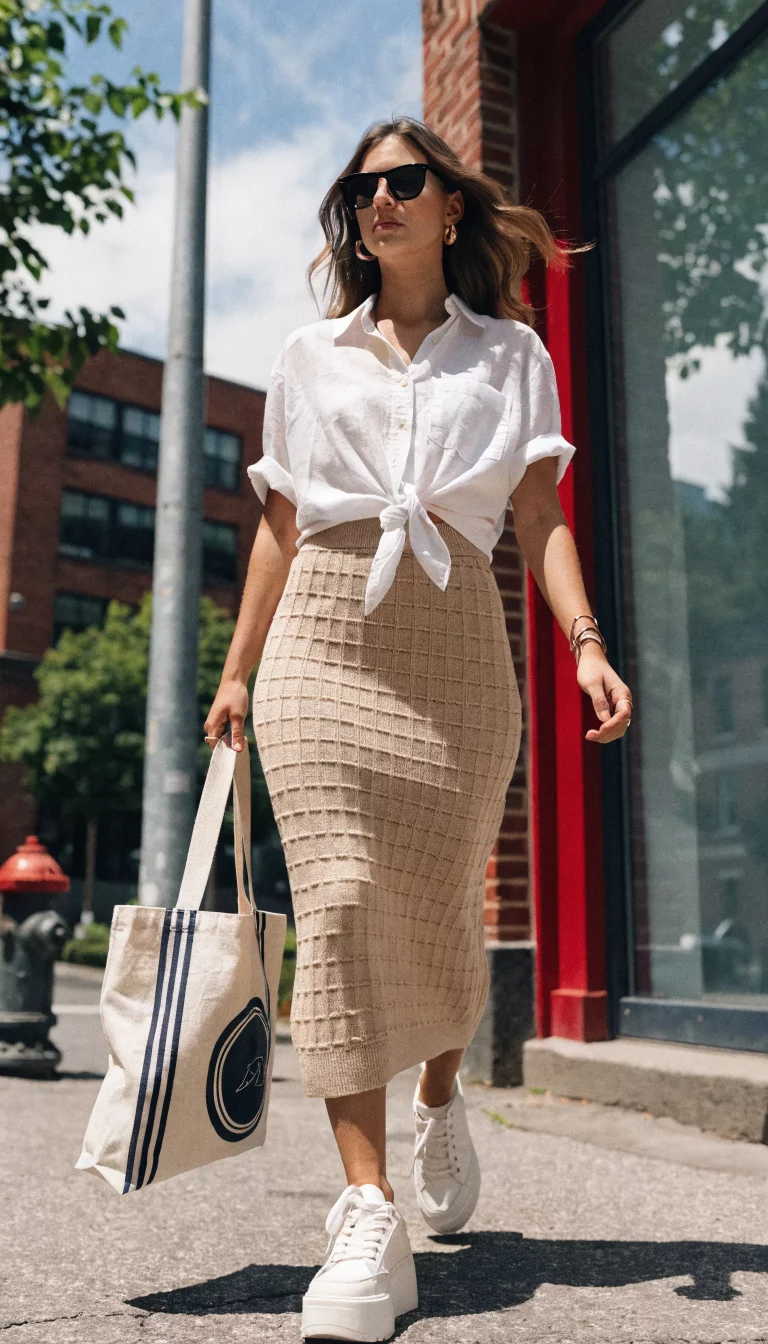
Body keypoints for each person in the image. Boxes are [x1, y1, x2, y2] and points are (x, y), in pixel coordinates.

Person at [203, 115, 633, 1343]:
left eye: (405, 181)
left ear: (452, 206)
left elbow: (541, 512)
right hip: (325, 641)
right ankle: (366, 1212)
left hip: (455, 647)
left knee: (439, 903)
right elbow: (282, 526)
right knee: (336, 900)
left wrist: (587, 642)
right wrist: (237, 675)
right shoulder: (307, 354)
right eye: (362, 187)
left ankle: (443, 1091)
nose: (379, 200)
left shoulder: (511, 356)